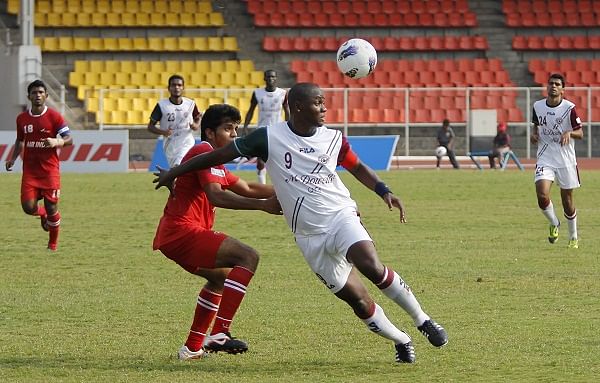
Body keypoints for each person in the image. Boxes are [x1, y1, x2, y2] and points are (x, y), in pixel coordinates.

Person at [154, 83, 447, 363]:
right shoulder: (266, 137)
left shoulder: (334, 138)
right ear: (296, 106)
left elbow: (356, 166)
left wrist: (384, 190)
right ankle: (401, 340)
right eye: (317, 102)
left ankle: (423, 320)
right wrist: (175, 172)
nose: (324, 107)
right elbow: (222, 168)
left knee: (370, 265)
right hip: (308, 236)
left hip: (340, 215)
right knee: (358, 301)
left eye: (324, 101)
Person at [152, 104, 282, 360]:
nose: (234, 135)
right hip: (182, 232)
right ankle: (220, 331)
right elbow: (216, 195)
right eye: (228, 129)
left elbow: (247, 188)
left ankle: (192, 349)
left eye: (236, 128)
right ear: (210, 133)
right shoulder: (203, 151)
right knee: (248, 257)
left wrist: (295, 190)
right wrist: (263, 207)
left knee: (220, 279)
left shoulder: (215, 161)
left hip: (175, 236)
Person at [5, 79, 73, 251]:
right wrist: (12, 159)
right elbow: (20, 140)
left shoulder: (54, 117)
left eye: (41, 92)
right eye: (34, 93)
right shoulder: (22, 119)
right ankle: (41, 214)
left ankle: (52, 245)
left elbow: (69, 140)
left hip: (50, 172)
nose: (38, 95)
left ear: (46, 96)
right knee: (28, 208)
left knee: (52, 208)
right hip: (30, 172)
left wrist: (56, 141)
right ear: (29, 96)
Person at [530, 73, 583, 249]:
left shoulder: (569, 108)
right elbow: (536, 126)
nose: (553, 86)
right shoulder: (537, 106)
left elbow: (580, 133)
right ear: (547, 87)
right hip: (545, 157)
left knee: (567, 201)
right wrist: (534, 135)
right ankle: (554, 222)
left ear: (563, 89)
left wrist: (570, 133)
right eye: (551, 83)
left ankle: (573, 236)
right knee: (542, 194)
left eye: (557, 84)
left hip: (566, 160)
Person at [242, 69, 290, 184]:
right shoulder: (257, 93)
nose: (271, 79)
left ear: (276, 78)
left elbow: (287, 111)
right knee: (260, 161)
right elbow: (250, 110)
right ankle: (262, 188)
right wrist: (245, 127)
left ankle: (281, 186)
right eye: (268, 77)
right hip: (262, 130)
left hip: (278, 130)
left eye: (273, 77)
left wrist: (289, 127)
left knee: (279, 160)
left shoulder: (282, 93)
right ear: (264, 78)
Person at [147, 74, 202, 168]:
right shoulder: (161, 106)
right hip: (170, 144)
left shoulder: (190, 104)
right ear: (169, 88)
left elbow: (198, 117)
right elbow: (150, 127)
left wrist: (196, 125)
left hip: (186, 140)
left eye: (179, 85)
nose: (176, 87)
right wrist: (163, 132)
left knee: (180, 164)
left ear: (183, 88)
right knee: (176, 170)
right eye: (173, 85)